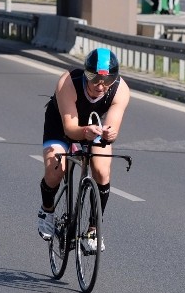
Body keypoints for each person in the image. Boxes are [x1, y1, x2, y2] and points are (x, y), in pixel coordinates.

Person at [37, 47, 130, 252]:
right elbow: (70, 129)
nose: (100, 85)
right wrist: (84, 132)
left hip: (93, 127)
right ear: (86, 74)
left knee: (101, 171)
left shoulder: (120, 89)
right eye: (94, 78)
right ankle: (47, 210)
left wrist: (109, 133)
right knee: (56, 169)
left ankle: (93, 230)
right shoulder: (68, 83)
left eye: (106, 80)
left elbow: (112, 124)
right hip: (61, 125)